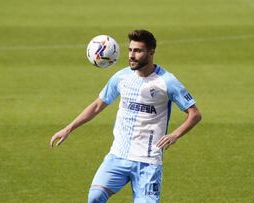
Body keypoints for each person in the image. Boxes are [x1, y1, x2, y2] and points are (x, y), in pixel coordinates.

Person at [50, 29, 202, 203]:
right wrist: (68, 129)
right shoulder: (121, 77)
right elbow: (97, 105)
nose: (131, 55)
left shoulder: (167, 81)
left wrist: (175, 134)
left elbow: (195, 114)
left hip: (148, 161)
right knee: (95, 197)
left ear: (151, 52)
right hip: (117, 156)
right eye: (130, 50)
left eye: (137, 51)